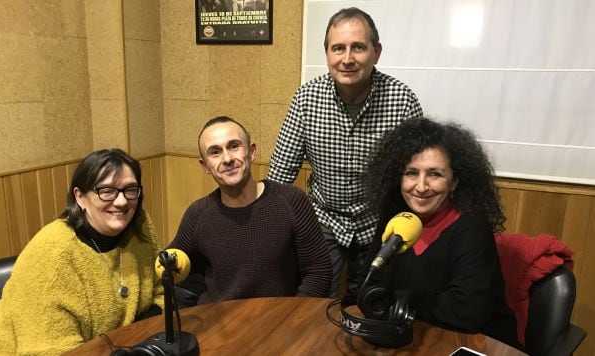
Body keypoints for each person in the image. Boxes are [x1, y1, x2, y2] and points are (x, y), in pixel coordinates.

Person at [267, 7, 423, 298]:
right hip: (324, 218)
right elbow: (280, 175)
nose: (347, 59)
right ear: (327, 54)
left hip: (379, 222)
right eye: (338, 48)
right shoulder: (306, 99)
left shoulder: (402, 100)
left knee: (370, 301)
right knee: (312, 301)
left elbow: (417, 175)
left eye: (358, 48)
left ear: (376, 52)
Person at [0, 149, 164, 354]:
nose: (122, 201)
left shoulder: (140, 228)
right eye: (106, 191)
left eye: (130, 190)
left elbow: (160, 292)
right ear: (80, 197)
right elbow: (47, 350)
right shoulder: (52, 253)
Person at [359, 117, 518, 346]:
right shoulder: (395, 217)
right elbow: (369, 283)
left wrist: (398, 300)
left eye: (435, 174)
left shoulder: (471, 224)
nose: (421, 187)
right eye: (411, 173)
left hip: (478, 342)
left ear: (454, 181)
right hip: (411, 336)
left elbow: (467, 311)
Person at [167, 116, 332, 305]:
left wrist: (293, 319)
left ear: (252, 152)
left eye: (234, 146)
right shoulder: (198, 215)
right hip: (220, 324)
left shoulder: (291, 201)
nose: (227, 159)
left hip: (280, 321)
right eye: (215, 152)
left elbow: (318, 270)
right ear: (205, 165)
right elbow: (168, 265)